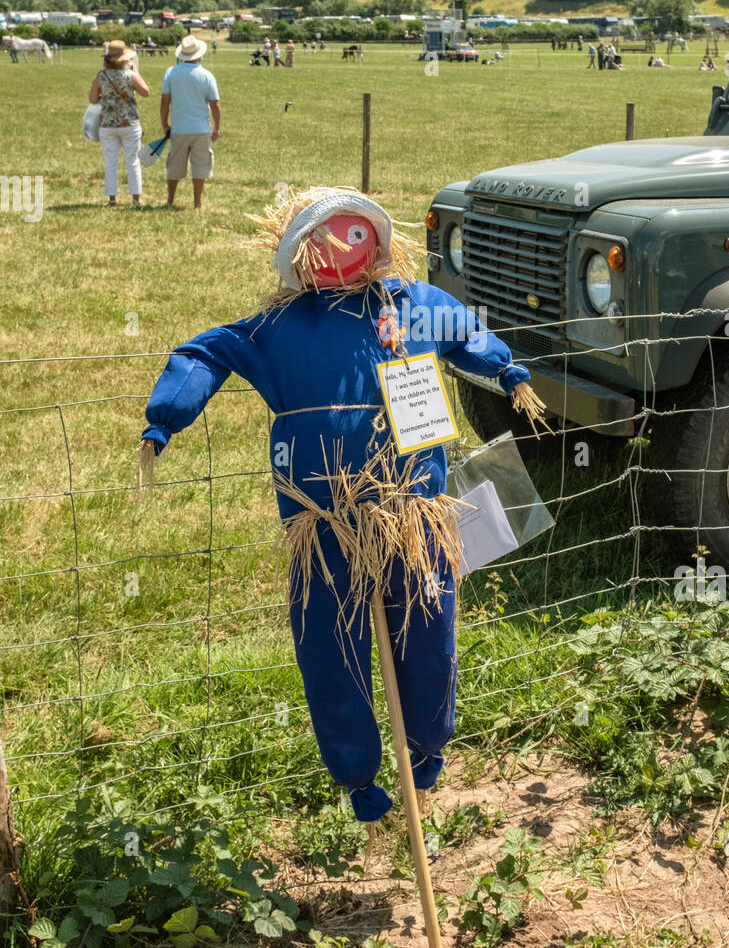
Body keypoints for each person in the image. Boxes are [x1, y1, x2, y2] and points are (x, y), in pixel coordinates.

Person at [138, 186, 543, 823]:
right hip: (320, 523)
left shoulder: (411, 306)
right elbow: (207, 351)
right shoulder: (279, 326)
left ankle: (426, 745)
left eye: (357, 234)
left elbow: (465, 331)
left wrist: (505, 369)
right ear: (300, 252)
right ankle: (356, 772)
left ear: (377, 241)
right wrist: (166, 417)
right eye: (327, 237)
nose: (345, 247)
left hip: (413, 515)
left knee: (427, 625)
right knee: (329, 642)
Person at [159, 35, 221, 210]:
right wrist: (216, 127)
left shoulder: (171, 73)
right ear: (199, 54)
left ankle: (170, 200)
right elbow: (215, 104)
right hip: (201, 129)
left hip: (179, 128)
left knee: (174, 166)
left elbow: (165, 101)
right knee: (200, 166)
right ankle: (197, 203)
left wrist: (164, 124)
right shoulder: (207, 75)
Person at [89, 39, 150, 208]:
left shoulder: (100, 76)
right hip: (129, 123)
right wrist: (136, 73)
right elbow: (145, 92)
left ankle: (112, 198)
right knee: (133, 161)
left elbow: (92, 99)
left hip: (107, 124)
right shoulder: (130, 75)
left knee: (110, 162)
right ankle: (136, 198)